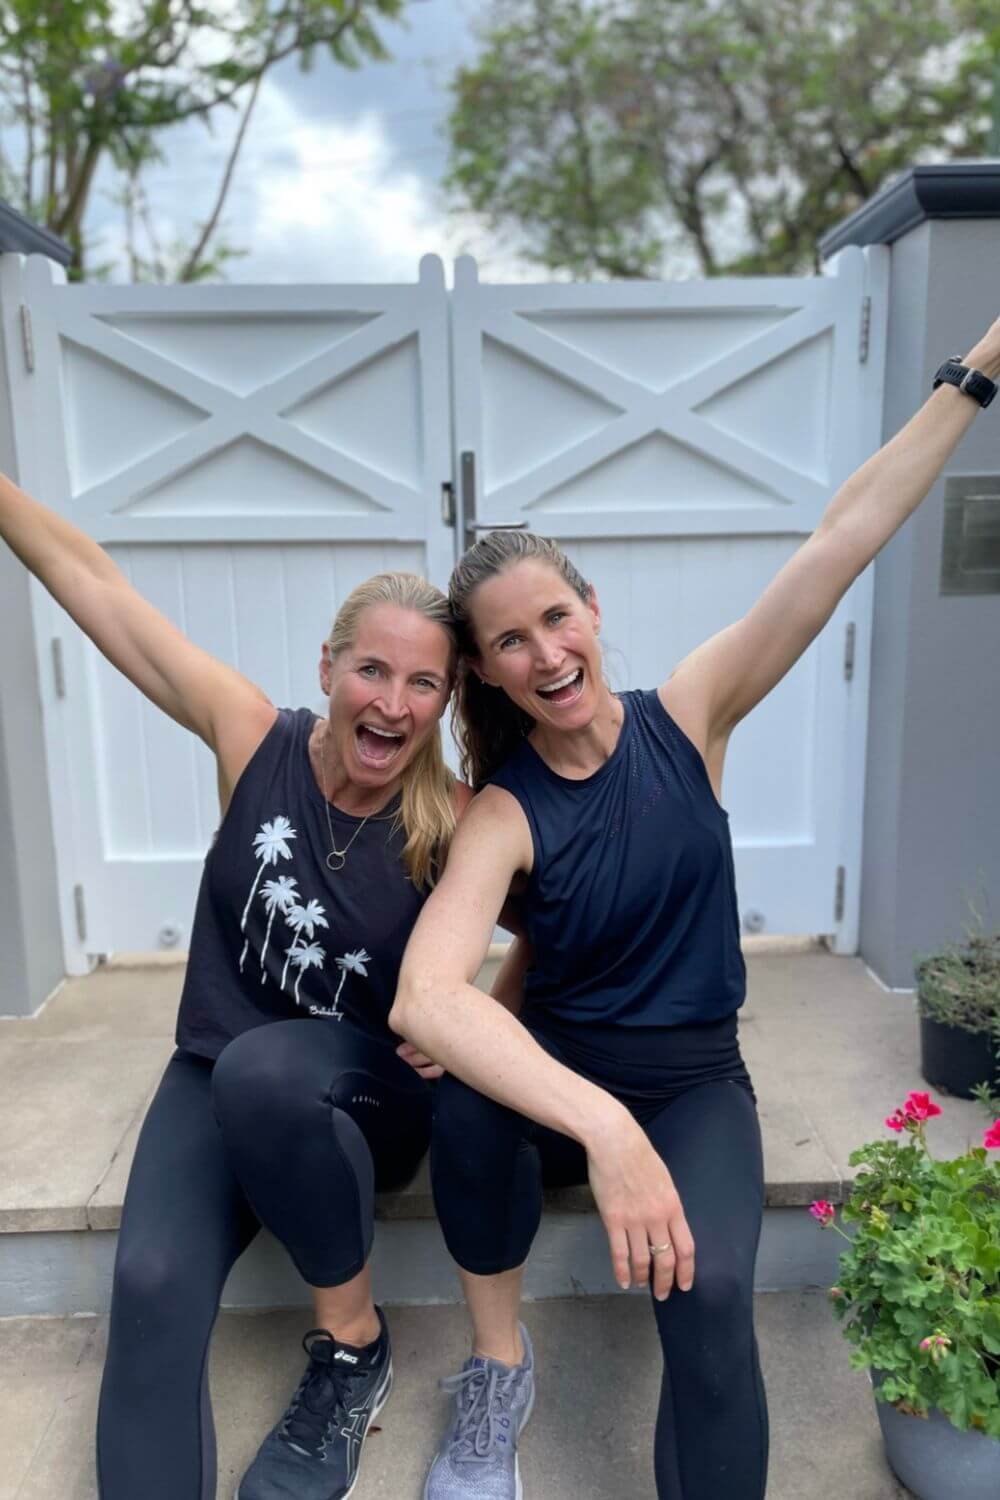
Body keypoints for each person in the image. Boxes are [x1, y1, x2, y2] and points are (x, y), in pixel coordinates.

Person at [391, 322, 1000, 1499]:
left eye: (555, 619)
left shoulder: (690, 715)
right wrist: (604, 1134)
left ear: (591, 607)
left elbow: (842, 537)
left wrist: (976, 372)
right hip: (569, 1078)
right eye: (509, 643)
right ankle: (497, 1365)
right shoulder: (504, 812)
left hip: (692, 1082)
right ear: (484, 671)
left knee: (712, 1299)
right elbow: (427, 995)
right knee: (465, 1110)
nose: (545, 654)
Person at [0, 467, 499, 1500]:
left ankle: (353, 1349)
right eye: (372, 670)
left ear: (445, 701)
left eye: (423, 686)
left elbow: (552, 931)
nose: (393, 704)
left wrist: (473, 1009)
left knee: (271, 1070)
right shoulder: (251, 740)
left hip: (365, 1102)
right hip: (218, 1070)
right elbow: (97, 586)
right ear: (327, 666)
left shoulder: (454, 816)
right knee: (148, 1284)